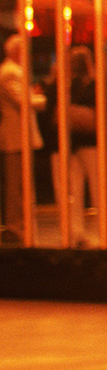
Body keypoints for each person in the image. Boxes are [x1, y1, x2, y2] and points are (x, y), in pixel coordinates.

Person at [65, 46, 107, 246]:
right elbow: (105, 113)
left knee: (74, 191)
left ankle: (75, 233)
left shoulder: (67, 85)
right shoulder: (97, 85)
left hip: (72, 142)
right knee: (102, 188)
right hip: (94, 141)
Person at [0, 34, 42, 244]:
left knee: (21, 186)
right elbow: (23, 101)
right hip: (16, 138)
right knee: (17, 187)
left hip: (19, 137)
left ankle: (22, 226)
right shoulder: (10, 72)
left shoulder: (13, 71)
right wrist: (44, 98)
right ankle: (17, 227)